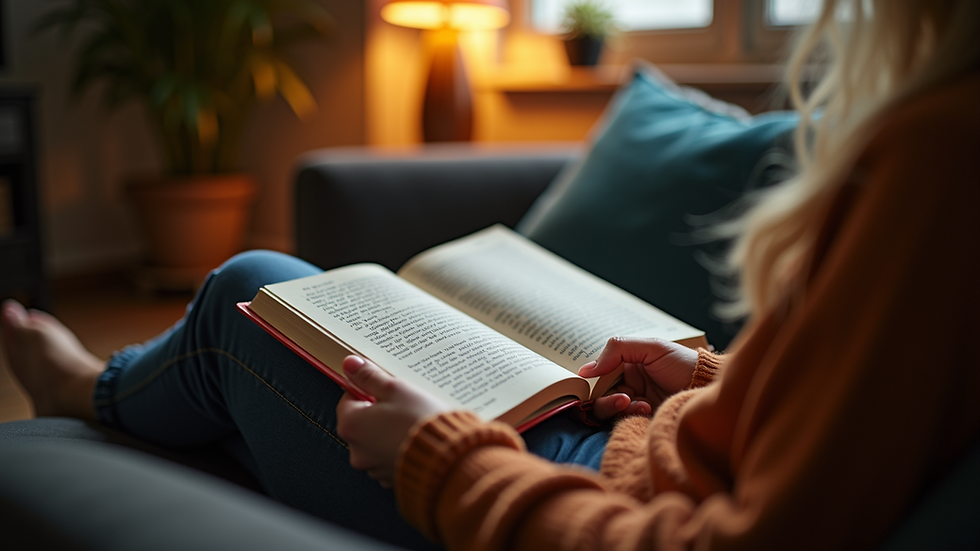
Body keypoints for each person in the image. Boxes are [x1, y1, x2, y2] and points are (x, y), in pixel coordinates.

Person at [2, 0, 978, 549]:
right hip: (630, 446)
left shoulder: (937, 156)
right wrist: (710, 378)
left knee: (246, 295)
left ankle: (89, 388)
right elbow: (849, 419)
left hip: (579, 491)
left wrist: (442, 453)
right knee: (303, 300)